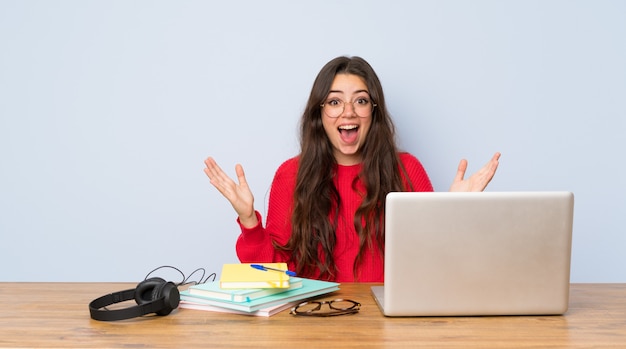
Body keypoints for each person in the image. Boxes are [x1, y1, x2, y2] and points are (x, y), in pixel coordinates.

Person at [204, 56, 500, 282]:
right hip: (313, 322)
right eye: (334, 101)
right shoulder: (290, 175)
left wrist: (455, 212)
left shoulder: (407, 169)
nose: (348, 111)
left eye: (360, 100)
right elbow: (272, 276)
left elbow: (438, 265)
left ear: (374, 111)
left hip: (390, 324)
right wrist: (249, 221)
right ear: (319, 114)